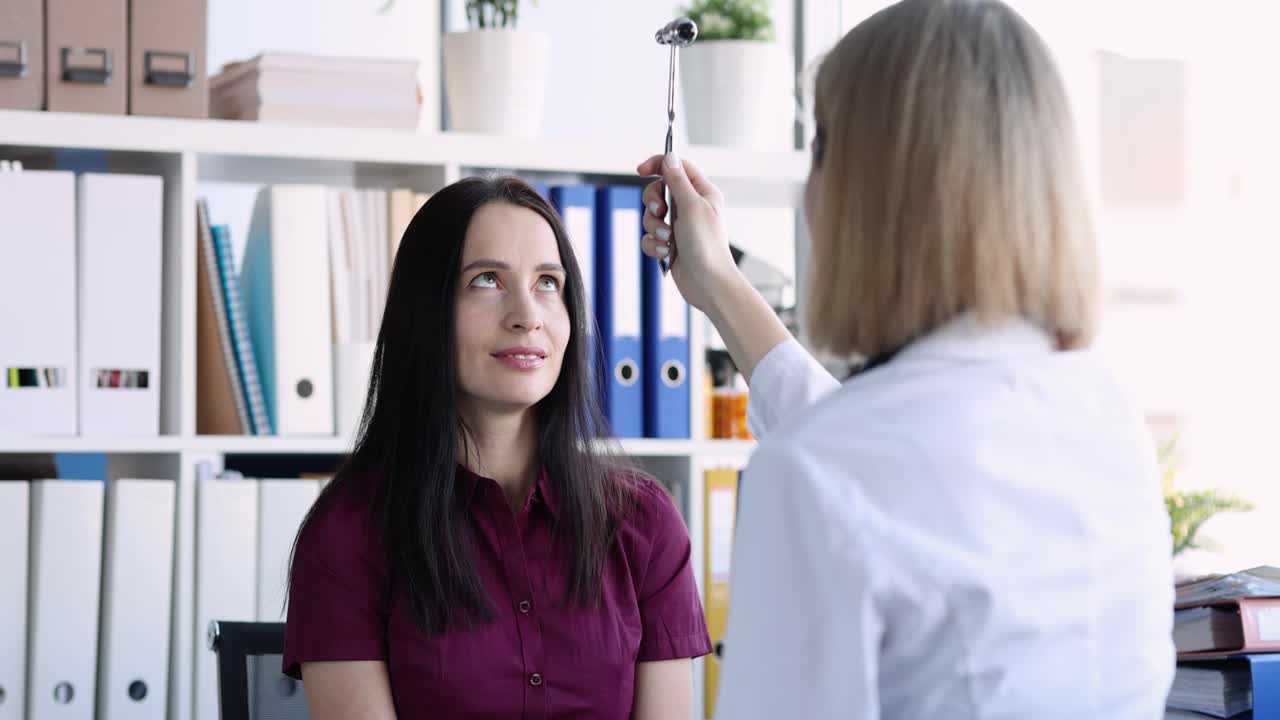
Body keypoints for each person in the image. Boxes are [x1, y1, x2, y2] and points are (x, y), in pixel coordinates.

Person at [637, 0, 1174, 717]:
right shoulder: (1105, 415)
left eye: (820, 148)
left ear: (877, 193)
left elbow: (861, 477)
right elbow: (903, 473)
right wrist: (721, 287)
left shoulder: (819, 474)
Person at [283, 177, 711, 719]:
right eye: (487, 280)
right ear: (425, 310)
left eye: (548, 283)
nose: (527, 315)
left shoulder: (643, 523)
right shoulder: (348, 534)